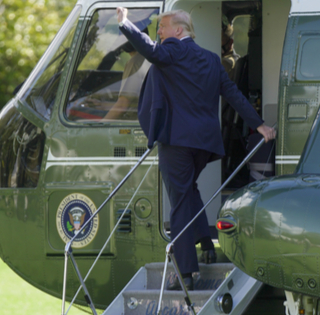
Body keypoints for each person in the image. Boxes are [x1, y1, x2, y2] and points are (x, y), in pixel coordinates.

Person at [116, 8, 276, 290]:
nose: (160, 32)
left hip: (176, 143)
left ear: (179, 31)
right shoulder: (212, 59)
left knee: (178, 203)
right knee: (188, 190)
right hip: (204, 144)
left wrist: (124, 23)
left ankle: (185, 272)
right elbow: (233, 95)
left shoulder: (172, 52)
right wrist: (259, 125)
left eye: (163, 27)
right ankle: (206, 243)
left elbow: (149, 49)